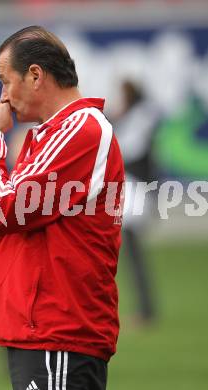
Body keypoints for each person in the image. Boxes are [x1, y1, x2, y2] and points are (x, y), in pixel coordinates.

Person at [0, 26, 124, 390]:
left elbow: (2, 210)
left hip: (57, 332)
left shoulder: (81, 129)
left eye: (6, 81)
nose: (3, 97)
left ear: (36, 75)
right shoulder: (52, 134)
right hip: (41, 331)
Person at [114, 80, 160, 324]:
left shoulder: (141, 115)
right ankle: (145, 309)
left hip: (135, 190)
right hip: (132, 189)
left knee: (133, 253)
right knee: (131, 254)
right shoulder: (135, 115)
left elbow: (127, 148)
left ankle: (145, 310)